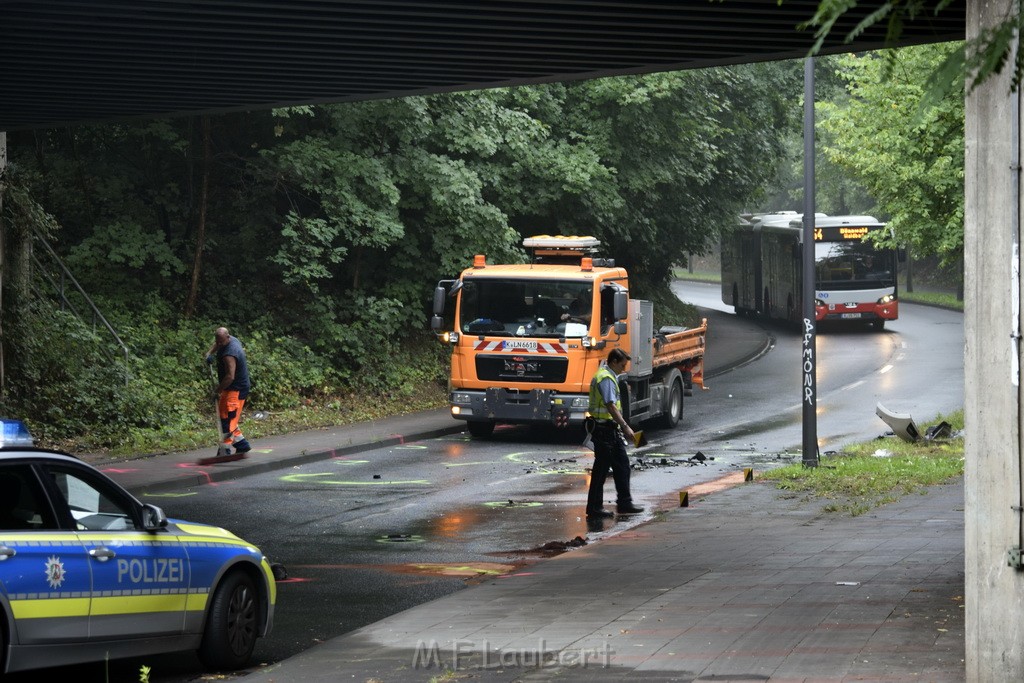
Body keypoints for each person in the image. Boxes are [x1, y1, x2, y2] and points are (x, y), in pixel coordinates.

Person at [585, 347, 643, 518]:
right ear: (614, 362)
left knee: (622, 466)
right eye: (622, 365)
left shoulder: (608, 375)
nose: (624, 369)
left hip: (609, 430)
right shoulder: (606, 378)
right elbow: (610, 405)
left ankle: (624, 503)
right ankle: (595, 508)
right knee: (601, 470)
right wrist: (625, 426)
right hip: (604, 431)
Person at [206, 327, 252, 457]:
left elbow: (230, 376)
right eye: (217, 341)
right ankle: (242, 444)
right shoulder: (229, 340)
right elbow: (217, 344)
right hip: (229, 387)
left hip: (236, 389)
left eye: (221, 342)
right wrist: (210, 353)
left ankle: (224, 450)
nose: (219, 344)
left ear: (228, 337)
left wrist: (217, 391)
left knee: (228, 421)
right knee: (224, 417)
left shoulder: (230, 354)